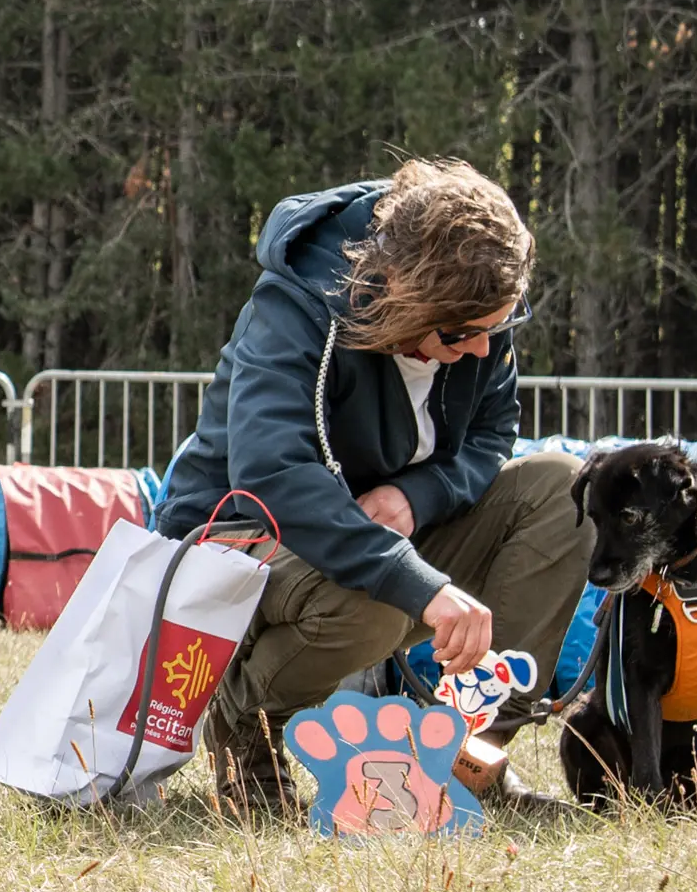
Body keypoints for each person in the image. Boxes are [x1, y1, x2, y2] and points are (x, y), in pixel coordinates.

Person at [154, 157, 594, 815]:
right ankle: (244, 729)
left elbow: (492, 430)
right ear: (405, 295)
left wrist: (421, 495)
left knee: (567, 491)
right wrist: (424, 584)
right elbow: (272, 473)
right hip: (241, 536)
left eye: (496, 329)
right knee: (377, 603)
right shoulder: (299, 302)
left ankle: (470, 757)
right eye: (462, 334)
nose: (481, 351)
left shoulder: (478, 311)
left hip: (379, 537)